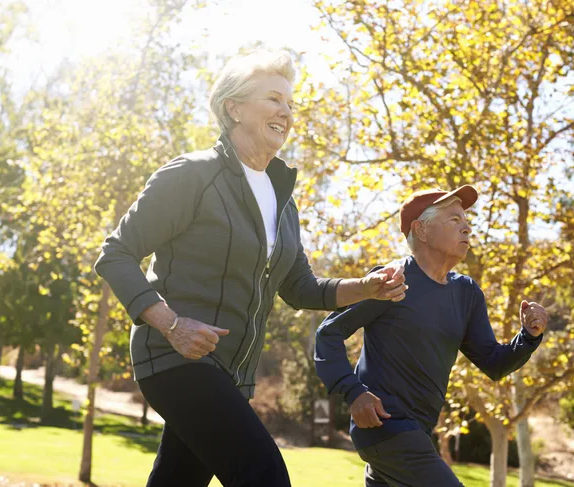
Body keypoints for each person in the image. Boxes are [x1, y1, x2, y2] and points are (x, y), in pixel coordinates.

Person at [94, 49, 406, 487]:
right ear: (234, 108)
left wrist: (367, 287)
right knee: (265, 476)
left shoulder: (282, 200)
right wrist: (172, 324)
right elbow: (116, 254)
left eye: (291, 104)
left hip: (231, 374)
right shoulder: (192, 175)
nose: (286, 112)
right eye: (274, 99)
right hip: (173, 358)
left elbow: (299, 287)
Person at [314, 186, 548, 487]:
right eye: (453, 219)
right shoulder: (391, 280)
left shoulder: (467, 293)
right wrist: (353, 392)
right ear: (421, 230)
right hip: (385, 427)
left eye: (466, 219)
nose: (467, 226)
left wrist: (528, 336)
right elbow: (328, 334)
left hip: (418, 433)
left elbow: (494, 362)